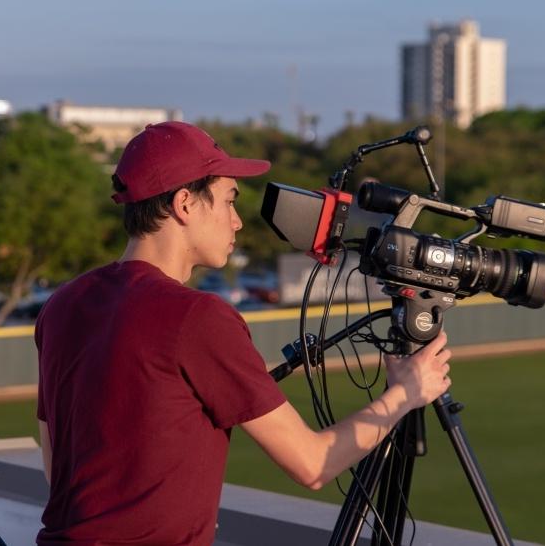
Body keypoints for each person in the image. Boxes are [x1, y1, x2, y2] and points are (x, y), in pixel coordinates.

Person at [34, 121, 452, 545]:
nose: (236, 223)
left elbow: (58, 469)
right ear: (184, 204)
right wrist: (406, 392)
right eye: (228, 201)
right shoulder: (198, 317)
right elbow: (313, 463)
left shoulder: (62, 305)